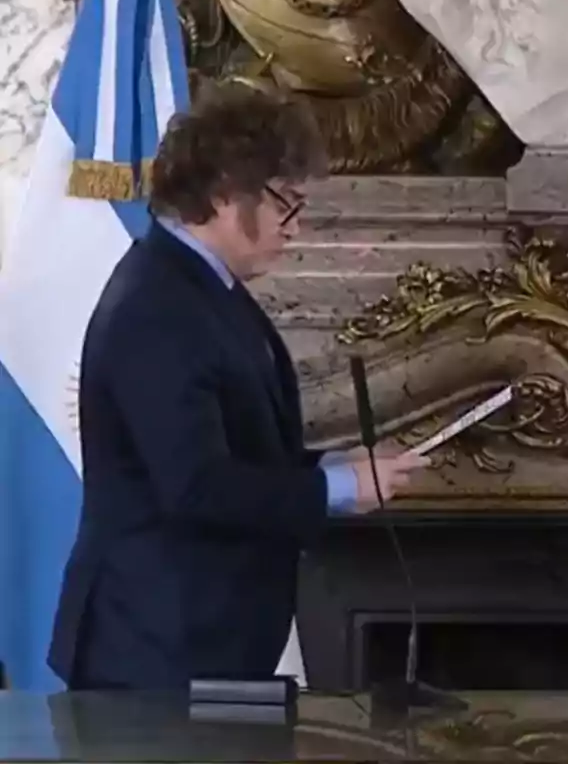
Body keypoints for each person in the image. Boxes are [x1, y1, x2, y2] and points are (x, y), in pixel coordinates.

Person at [47, 82, 428, 690]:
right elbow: (195, 487)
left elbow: (234, 450)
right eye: (287, 203)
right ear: (226, 191)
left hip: (187, 642)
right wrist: (331, 489)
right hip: (151, 654)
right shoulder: (159, 307)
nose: (295, 227)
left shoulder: (202, 288)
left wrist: (334, 465)